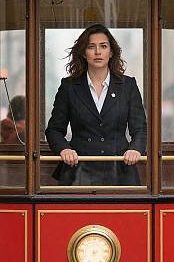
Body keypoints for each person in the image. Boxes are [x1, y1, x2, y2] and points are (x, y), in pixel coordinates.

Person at [45, 23, 147, 186]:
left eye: (103, 46)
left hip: (120, 171)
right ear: (84, 53)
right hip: (78, 172)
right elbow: (54, 130)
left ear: (111, 52)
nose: (98, 52)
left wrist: (135, 149)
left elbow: (140, 129)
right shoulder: (69, 86)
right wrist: (64, 149)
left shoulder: (128, 85)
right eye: (91, 47)